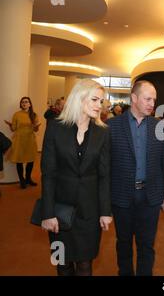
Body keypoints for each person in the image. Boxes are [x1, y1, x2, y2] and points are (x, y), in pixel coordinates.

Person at [40, 80, 112, 276]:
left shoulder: (103, 132)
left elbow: (105, 175)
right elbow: (48, 174)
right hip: (59, 211)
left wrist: (106, 211)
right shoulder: (55, 127)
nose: (100, 105)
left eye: (102, 101)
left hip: (90, 211)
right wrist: (47, 213)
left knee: (85, 265)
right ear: (79, 99)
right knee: (61, 263)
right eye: (95, 100)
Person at [107, 80, 164, 276]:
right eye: (148, 98)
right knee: (124, 243)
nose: (152, 103)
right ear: (134, 98)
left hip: (150, 197)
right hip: (121, 196)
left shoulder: (160, 127)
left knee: (147, 245)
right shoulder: (111, 126)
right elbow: (105, 166)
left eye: (154, 99)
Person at [4, 97, 40, 189]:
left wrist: (36, 126)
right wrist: (10, 125)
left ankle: (28, 178)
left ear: (30, 104)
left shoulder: (34, 115)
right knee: (19, 160)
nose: (24, 103)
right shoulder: (16, 114)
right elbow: (14, 129)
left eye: (26, 102)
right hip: (19, 140)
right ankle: (22, 180)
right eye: (22, 102)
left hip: (30, 140)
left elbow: (36, 130)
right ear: (21, 104)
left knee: (31, 160)